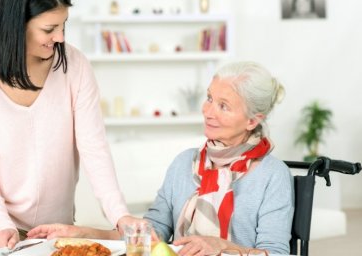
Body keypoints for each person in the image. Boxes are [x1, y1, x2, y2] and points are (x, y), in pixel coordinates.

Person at [28, 61, 294, 256]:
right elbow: (149, 235)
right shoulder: (184, 163)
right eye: (209, 98)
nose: (208, 111)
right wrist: (83, 234)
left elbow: (276, 253)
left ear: (253, 120)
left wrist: (223, 246)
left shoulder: (272, 175)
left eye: (223, 106)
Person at [0, 0, 139, 251]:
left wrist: (119, 215)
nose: (61, 37)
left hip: (57, 226)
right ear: (15, 24)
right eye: (49, 29)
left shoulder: (74, 67)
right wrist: (0, 223)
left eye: (64, 25)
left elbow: (93, 148)